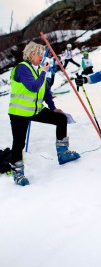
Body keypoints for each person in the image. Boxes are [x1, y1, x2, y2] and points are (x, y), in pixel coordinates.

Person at [8, 41, 80, 186]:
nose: (41, 57)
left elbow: (46, 91)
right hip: (19, 112)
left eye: (42, 54)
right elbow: (34, 87)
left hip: (35, 110)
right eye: (39, 54)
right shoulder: (22, 68)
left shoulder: (38, 70)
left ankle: (63, 154)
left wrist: (53, 108)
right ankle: (18, 173)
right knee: (19, 143)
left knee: (61, 119)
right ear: (31, 54)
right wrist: (43, 72)